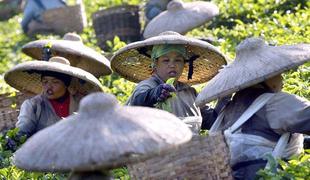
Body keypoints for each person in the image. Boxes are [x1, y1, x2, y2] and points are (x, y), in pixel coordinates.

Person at [196, 37, 310, 179]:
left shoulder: (230, 107)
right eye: (277, 74)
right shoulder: (275, 103)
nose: (282, 79)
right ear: (265, 77)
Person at [110, 31, 229, 133]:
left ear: (184, 64)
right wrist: (156, 93)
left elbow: (211, 121)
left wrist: (224, 98)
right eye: (166, 60)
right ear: (155, 64)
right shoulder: (148, 86)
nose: (172, 65)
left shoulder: (190, 92)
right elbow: (138, 102)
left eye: (178, 60)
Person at [4, 56, 103, 138]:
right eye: (45, 82)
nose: (48, 87)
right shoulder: (33, 105)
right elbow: (22, 133)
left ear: (66, 84)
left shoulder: (81, 103)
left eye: (55, 82)